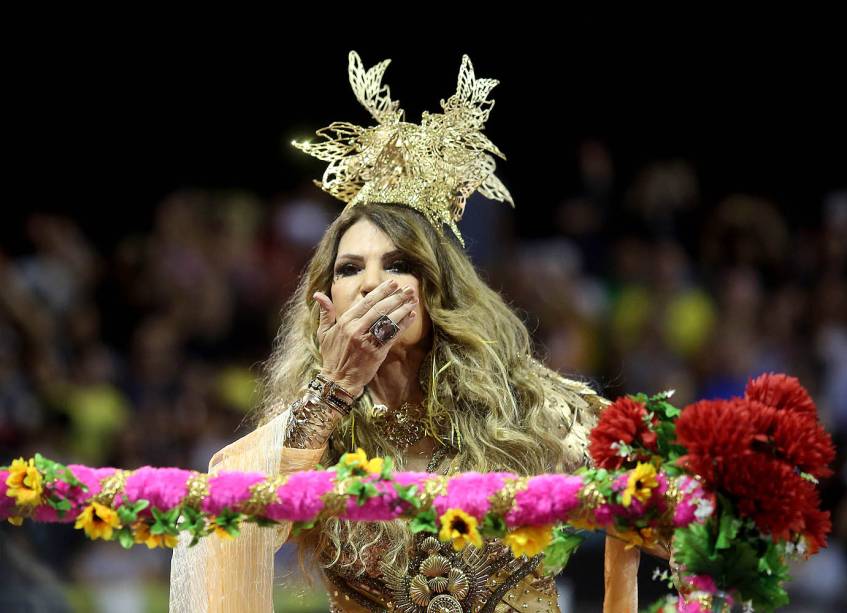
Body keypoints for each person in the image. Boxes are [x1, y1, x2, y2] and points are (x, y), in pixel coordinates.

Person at [169, 51, 651, 613]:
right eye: (350, 269)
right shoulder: (313, 437)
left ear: (438, 289)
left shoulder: (526, 407)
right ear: (325, 302)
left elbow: (660, 499)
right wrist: (335, 387)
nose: (372, 284)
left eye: (398, 265)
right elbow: (241, 522)